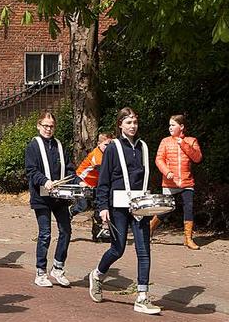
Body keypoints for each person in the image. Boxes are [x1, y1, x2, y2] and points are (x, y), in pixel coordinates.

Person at [87, 107, 162, 315]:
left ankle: (142, 296)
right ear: (120, 124)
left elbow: (145, 176)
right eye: (128, 122)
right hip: (118, 205)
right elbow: (103, 181)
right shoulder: (113, 148)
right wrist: (102, 207)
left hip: (139, 205)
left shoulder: (144, 147)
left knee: (143, 249)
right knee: (117, 248)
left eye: (135, 122)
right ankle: (97, 275)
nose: (133, 126)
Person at [23, 110, 76, 288]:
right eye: (45, 126)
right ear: (39, 126)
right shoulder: (33, 146)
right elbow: (31, 170)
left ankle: (58, 268)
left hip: (59, 197)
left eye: (51, 126)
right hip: (42, 196)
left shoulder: (59, 145)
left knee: (66, 231)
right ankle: (40, 271)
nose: (48, 129)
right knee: (45, 233)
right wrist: (45, 181)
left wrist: (78, 181)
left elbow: (69, 169)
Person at [154, 114, 203, 249]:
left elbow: (197, 158)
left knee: (189, 207)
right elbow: (159, 160)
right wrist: (167, 172)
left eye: (173, 125)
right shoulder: (165, 141)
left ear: (181, 127)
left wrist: (184, 145)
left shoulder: (191, 140)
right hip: (170, 183)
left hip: (187, 182)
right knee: (166, 211)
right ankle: (149, 229)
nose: (170, 127)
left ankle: (188, 239)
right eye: (169, 125)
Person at [74, 133, 114, 242]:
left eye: (111, 144)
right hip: (83, 180)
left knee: (99, 205)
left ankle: (98, 234)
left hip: (95, 184)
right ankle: (70, 212)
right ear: (99, 144)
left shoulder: (108, 155)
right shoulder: (96, 156)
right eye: (106, 144)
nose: (108, 147)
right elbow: (104, 174)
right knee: (83, 205)